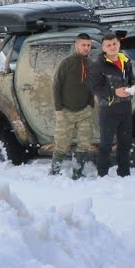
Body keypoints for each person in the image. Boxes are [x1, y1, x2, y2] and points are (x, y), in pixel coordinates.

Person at [89, 31, 135, 177]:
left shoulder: (125, 61)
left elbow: (131, 79)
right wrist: (114, 92)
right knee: (106, 145)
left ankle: (124, 173)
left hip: (125, 108)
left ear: (119, 44)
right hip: (108, 110)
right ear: (103, 48)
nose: (112, 47)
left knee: (125, 143)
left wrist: (134, 87)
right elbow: (95, 89)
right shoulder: (98, 66)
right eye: (108, 45)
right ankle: (102, 175)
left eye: (114, 43)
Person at [49, 32, 96, 179]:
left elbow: (92, 87)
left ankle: (77, 173)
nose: (86, 48)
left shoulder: (91, 65)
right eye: (83, 45)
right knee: (62, 144)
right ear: (76, 45)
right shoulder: (66, 63)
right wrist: (58, 109)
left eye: (88, 45)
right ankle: (54, 173)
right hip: (65, 111)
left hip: (84, 112)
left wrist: (90, 105)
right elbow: (56, 86)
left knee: (84, 143)